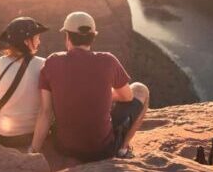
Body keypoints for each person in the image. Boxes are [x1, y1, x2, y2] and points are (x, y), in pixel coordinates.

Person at [29, 11, 150, 161]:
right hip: (102, 150)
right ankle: (123, 150)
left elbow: (45, 112)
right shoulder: (108, 61)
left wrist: (33, 152)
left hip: (64, 148)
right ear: (93, 37)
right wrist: (107, 95)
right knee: (140, 89)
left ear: (67, 37)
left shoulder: (52, 62)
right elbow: (128, 97)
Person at [0, 17, 48, 148]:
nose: (39, 41)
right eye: (37, 38)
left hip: (4, 137)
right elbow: (46, 111)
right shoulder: (44, 65)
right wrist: (34, 150)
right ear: (26, 41)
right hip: (33, 134)